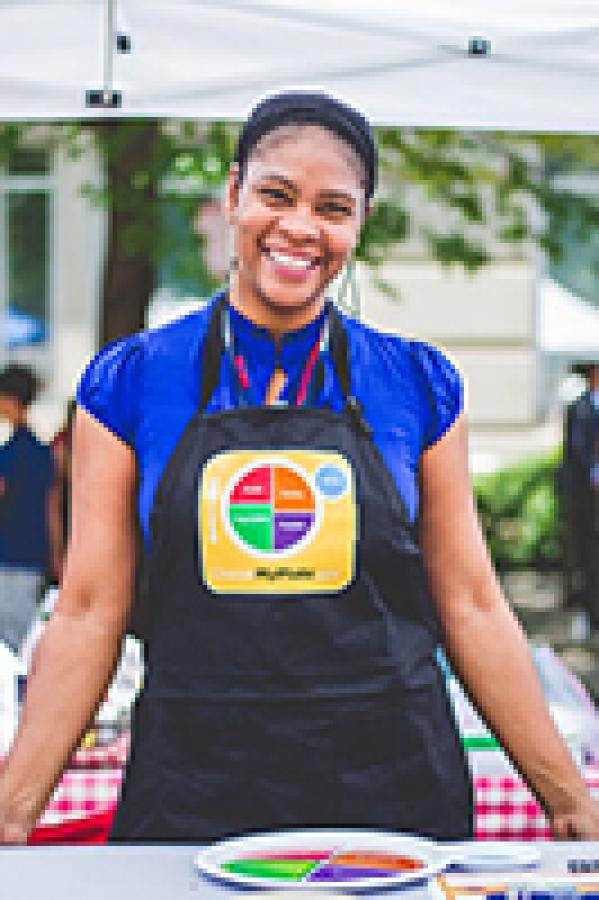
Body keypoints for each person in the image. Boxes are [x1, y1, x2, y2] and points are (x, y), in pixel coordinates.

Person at [1, 91, 599, 844]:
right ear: (232, 195)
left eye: (333, 208)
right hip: (195, 788)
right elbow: (89, 610)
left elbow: (473, 605)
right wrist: (12, 812)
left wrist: (570, 802)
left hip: (389, 794)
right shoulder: (131, 382)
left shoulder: (417, 384)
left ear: (360, 223)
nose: (300, 228)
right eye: (276, 195)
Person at [0, 364, 56, 652]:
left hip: (9, 555)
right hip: (34, 555)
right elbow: (52, 507)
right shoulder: (43, 452)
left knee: (9, 642)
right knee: (24, 636)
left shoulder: (10, 454)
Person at [561, 362, 599, 629]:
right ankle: (587, 612)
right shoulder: (579, 408)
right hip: (584, 496)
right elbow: (576, 449)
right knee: (585, 554)